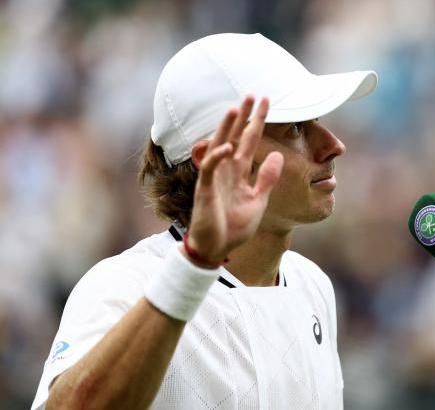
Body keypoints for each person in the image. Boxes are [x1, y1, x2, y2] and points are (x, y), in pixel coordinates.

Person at [32, 33, 377, 409]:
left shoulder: (314, 287)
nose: (333, 144)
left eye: (316, 120)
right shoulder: (121, 285)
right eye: (294, 128)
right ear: (215, 156)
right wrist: (196, 262)